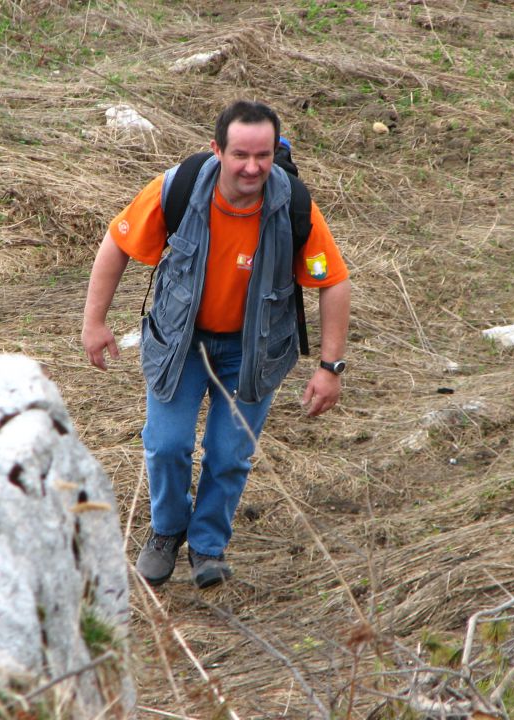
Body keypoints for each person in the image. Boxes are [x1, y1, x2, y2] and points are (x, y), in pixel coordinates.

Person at [81, 100, 350, 588]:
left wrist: (330, 367)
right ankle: (166, 532)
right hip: (179, 347)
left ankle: (207, 546)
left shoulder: (294, 205)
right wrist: (94, 322)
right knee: (166, 446)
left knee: (228, 456)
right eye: (241, 155)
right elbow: (117, 244)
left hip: (253, 355)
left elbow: (333, 281)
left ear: (275, 152)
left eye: (263, 155)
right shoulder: (177, 189)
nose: (252, 167)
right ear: (217, 150)